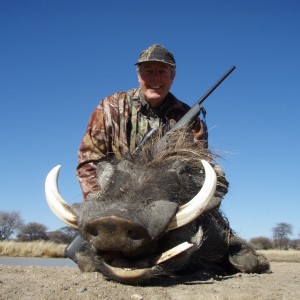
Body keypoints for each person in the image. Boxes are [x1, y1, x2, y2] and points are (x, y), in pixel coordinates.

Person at [76, 44, 208, 201]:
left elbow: (199, 168)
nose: (155, 78)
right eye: (149, 71)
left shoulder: (188, 117)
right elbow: (89, 160)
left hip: (168, 202)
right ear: (139, 76)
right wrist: (98, 203)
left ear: (172, 77)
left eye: (162, 72)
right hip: (114, 200)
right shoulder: (110, 106)